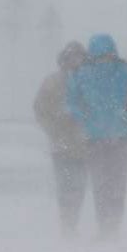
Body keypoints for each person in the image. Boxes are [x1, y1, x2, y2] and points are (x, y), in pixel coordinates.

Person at [66, 34, 127, 238]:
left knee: (102, 183)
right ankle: (112, 226)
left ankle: (106, 226)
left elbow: (72, 102)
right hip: (119, 137)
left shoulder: (81, 74)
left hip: (96, 138)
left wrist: (86, 119)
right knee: (115, 183)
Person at [33, 41, 88, 236]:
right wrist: (54, 128)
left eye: (79, 57)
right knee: (65, 186)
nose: (75, 61)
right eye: (72, 57)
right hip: (61, 143)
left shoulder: (88, 82)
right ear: (64, 59)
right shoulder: (52, 82)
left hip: (81, 144)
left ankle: (71, 222)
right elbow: (40, 109)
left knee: (79, 186)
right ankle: (67, 224)